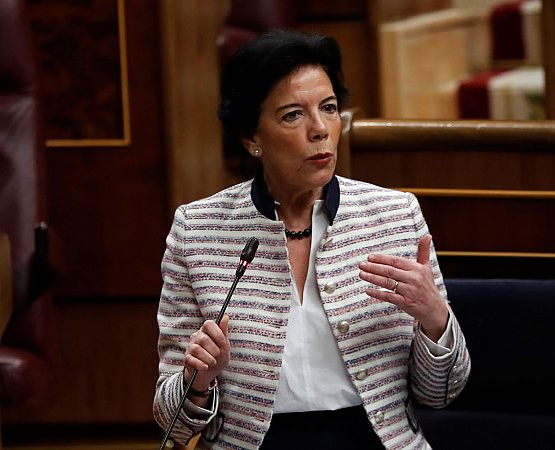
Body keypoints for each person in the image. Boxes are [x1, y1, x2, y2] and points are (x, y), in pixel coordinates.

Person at [153, 30, 470, 450]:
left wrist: (435, 318)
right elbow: (173, 424)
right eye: (292, 115)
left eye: (329, 108)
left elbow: (443, 392)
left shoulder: (395, 215)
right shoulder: (198, 230)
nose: (320, 129)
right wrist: (197, 383)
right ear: (251, 138)